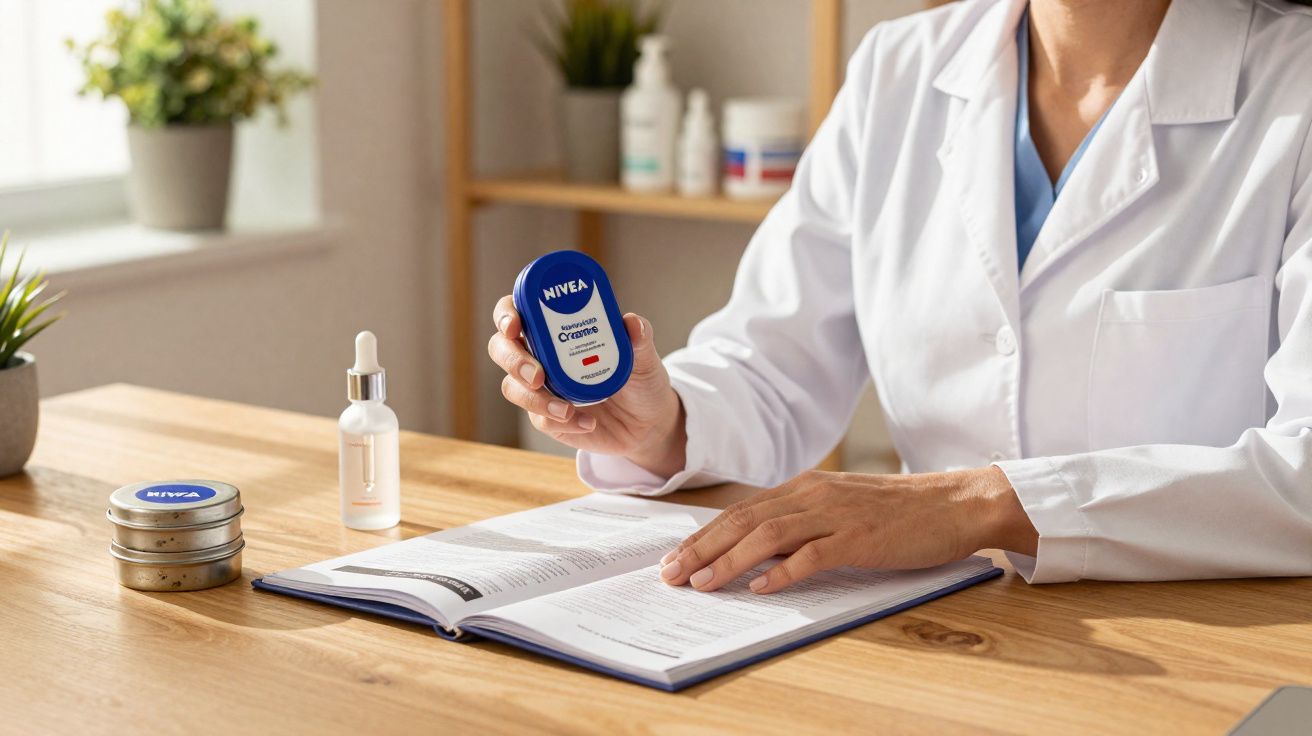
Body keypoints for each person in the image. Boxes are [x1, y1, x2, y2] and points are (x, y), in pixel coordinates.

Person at [489, 0, 1312, 592]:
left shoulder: (1296, 91)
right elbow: (773, 368)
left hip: (1203, 652)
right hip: (933, 637)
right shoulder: (899, 70)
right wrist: (660, 420)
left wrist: (983, 504)